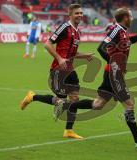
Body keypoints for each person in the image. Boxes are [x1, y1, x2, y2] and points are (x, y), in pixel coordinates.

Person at [58, 7, 137, 149]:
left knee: (98, 105)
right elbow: (101, 47)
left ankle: (67, 105)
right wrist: (113, 62)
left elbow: (129, 41)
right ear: (125, 18)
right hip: (114, 74)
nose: (132, 18)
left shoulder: (122, 31)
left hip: (112, 74)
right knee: (129, 104)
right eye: (130, 16)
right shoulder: (116, 30)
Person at [20, 4, 94, 139]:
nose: (79, 15)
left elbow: (72, 51)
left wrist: (84, 56)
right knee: (61, 102)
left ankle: (68, 130)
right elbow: (47, 44)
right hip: (58, 70)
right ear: (70, 14)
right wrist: (59, 59)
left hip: (70, 70)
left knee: (75, 99)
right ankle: (32, 97)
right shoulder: (64, 28)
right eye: (77, 13)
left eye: (81, 13)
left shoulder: (77, 31)